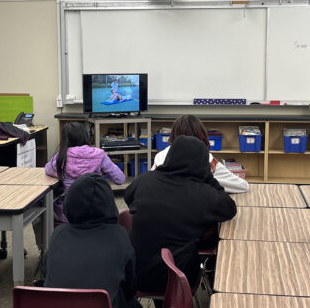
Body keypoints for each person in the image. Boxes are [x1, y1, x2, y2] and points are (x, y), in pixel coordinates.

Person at [124, 135, 237, 295]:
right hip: (176, 279)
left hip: (134, 275)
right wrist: (208, 177)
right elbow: (229, 208)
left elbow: (129, 198)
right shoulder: (202, 193)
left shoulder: (144, 180)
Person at [43, 173, 140, 308]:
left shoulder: (58, 234)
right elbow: (130, 287)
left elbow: (46, 272)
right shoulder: (119, 236)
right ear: (110, 205)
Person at [45, 122, 125, 223]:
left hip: (72, 213)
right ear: (85, 135)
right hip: (99, 210)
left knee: (47, 209)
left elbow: (48, 169)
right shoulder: (99, 155)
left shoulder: (61, 157)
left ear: (64, 139)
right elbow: (120, 179)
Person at [152, 114, 249, 194]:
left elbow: (153, 183)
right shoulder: (207, 159)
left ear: (173, 135)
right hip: (195, 206)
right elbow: (242, 185)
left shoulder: (160, 156)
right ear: (201, 135)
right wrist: (209, 181)